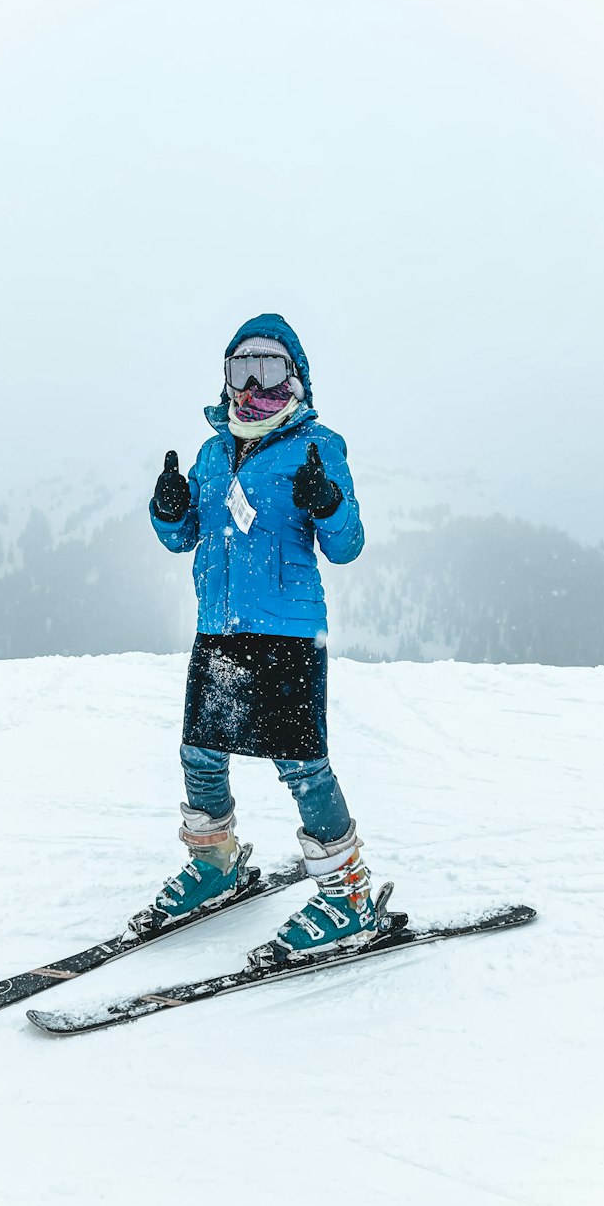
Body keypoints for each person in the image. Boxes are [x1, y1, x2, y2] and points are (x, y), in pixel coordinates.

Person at [143, 312, 373, 958]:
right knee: (200, 753)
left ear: (295, 375)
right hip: (218, 622)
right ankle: (214, 864)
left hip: (288, 626)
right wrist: (167, 508)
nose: (251, 382)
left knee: (300, 764)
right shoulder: (214, 451)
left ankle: (348, 893)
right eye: (239, 368)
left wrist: (327, 501)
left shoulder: (319, 443)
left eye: (267, 366)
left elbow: (346, 545)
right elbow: (185, 535)